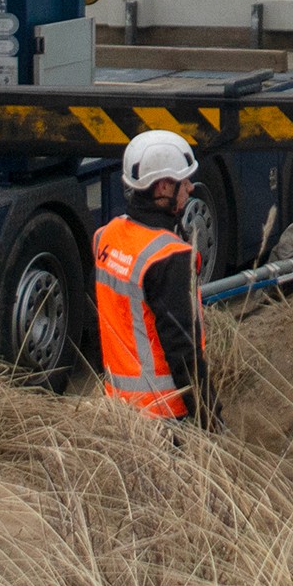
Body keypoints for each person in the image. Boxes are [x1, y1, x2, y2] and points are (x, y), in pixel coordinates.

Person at [95, 128, 211, 427]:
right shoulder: (168, 257)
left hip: (119, 407)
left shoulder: (106, 236)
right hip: (164, 415)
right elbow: (183, 350)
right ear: (163, 187)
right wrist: (210, 419)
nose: (190, 188)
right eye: (183, 181)